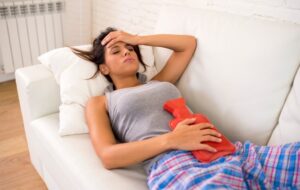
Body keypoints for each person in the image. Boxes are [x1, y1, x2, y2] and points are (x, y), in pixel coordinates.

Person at [72, 27, 300, 189]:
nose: (127, 52)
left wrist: (137, 38)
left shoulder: (159, 82)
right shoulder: (100, 102)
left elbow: (188, 44)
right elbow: (108, 156)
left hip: (224, 148)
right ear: (103, 69)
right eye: (116, 51)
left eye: (129, 48)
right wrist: (172, 140)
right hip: (175, 164)